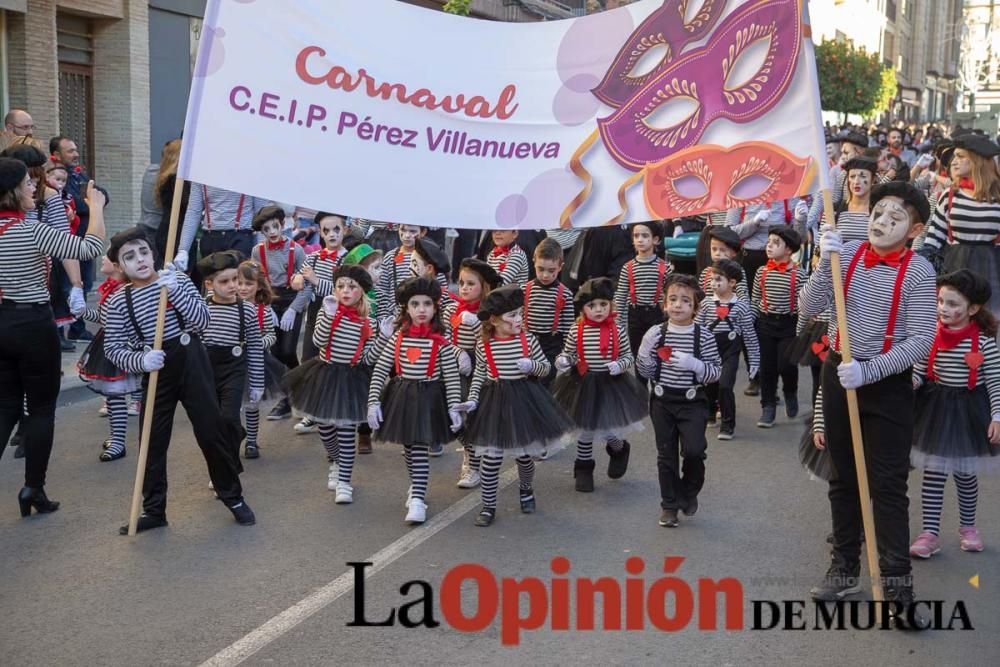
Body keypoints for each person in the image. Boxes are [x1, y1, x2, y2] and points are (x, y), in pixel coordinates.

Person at [802, 181, 935, 629]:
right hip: (839, 376)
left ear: (914, 229)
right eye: (878, 213)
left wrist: (871, 370)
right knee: (842, 478)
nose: (881, 222)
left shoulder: (919, 271)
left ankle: (898, 587)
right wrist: (824, 264)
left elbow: (922, 338)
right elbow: (809, 309)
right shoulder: (849, 254)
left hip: (887, 385)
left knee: (888, 487)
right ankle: (844, 567)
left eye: (894, 218)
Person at [103, 227, 255, 533]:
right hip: (156, 368)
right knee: (151, 441)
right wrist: (140, 360)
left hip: (192, 358)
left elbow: (203, 320)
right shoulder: (118, 302)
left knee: (211, 431)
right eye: (130, 257)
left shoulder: (177, 280)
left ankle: (233, 496)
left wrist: (177, 292)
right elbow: (113, 349)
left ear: (154, 253)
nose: (140, 260)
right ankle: (154, 510)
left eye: (144, 252)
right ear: (120, 266)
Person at [0, 158, 105, 517]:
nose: (34, 187)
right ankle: (33, 488)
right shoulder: (30, 230)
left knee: (5, 406)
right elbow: (90, 248)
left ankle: (33, 489)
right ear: (13, 191)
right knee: (41, 409)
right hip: (31, 323)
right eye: (27, 184)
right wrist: (96, 208)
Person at [455, 285, 575, 526]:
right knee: (490, 459)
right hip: (494, 403)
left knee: (524, 456)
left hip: (523, 399)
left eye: (520, 313)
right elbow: (480, 374)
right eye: (511, 315)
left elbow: (545, 368)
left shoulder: (528, 339)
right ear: (494, 320)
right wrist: (473, 398)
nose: (518, 319)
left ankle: (526, 488)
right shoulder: (484, 345)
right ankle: (488, 506)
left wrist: (532, 366)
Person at [909, 270, 1000, 558]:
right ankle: (930, 533)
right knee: (934, 473)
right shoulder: (930, 335)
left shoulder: (984, 343)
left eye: (952, 304)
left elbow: (996, 383)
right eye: (940, 302)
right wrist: (911, 381)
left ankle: (968, 528)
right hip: (935, 410)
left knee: (965, 473)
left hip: (970, 412)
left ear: (973, 309)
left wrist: (998, 416)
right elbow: (920, 372)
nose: (943, 309)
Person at [367, 277, 463, 524]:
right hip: (402, 397)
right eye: (415, 304)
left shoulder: (441, 342)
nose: (421, 309)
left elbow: (451, 377)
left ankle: (419, 498)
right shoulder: (398, 338)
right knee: (409, 447)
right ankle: (415, 485)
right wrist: (373, 402)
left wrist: (454, 407)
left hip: (429, 398)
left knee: (419, 446)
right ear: (406, 309)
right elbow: (379, 369)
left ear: (435, 307)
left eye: (427, 304)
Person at [283, 265, 379, 503]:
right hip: (325, 374)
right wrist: (327, 315)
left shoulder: (368, 323)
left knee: (347, 430)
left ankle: (345, 481)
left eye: (352, 287)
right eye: (340, 286)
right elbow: (319, 340)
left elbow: (368, 358)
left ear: (362, 292)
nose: (345, 291)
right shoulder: (329, 312)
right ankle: (335, 460)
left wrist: (384, 337)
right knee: (325, 429)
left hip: (352, 377)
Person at [636, 274, 722, 527]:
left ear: (695, 308)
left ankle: (689, 489)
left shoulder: (703, 336)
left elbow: (715, 372)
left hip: (692, 402)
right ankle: (669, 505)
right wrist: (645, 354)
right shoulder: (656, 333)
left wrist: (694, 364)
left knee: (694, 451)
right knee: (666, 456)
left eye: (685, 301)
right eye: (672, 299)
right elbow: (647, 372)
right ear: (664, 304)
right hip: (662, 401)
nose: (677, 305)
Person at [552, 277, 648, 492]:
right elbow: (569, 353)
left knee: (608, 429)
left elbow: (628, 357)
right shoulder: (576, 331)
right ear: (583, 309)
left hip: (610, 385)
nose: (598, 310)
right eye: (592, 305)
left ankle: (619, 449)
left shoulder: (618, 331)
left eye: (603, 304)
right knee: (585, 428)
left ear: (610, 305)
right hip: (582, 384)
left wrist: (619, 365)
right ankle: (584, 469)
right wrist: (564, 361)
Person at [1, 141, 82, 346]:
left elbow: (66, 244)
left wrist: (77, 285)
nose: (33, 183)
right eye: (27, 178)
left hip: (36, 275)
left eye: (35, 176)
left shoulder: (49, 196)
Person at [196, 251, 265, 471]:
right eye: (224, 281)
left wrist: (257, 383)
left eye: (234, 279)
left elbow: (254, 347)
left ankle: (226, 468)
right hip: (207, 371)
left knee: (229, 418)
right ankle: (220, 459)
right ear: (209, 284)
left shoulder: (247, 310)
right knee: (212, 425)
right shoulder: (201, 308)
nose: (233, 285)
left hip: (234, 370)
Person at [918, 134, 1000, 315]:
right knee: (951, 323)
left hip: (991, 272)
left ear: (977, 161)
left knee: (988, 328)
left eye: (961, 156)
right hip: (954, 269)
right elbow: (932, 243)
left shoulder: (998, 198)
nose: (954, 162)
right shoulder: (950, 195)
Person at [442, 258, 502, 488]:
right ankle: (470, 451)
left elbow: (491, 338)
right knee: (452, 415)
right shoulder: (450, 309)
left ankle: (472, 464)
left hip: (481, 366)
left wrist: (477, 322)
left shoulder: (489, 312)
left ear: (484, 287)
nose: (464, 288)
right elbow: (444, 337)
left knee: (474, 415)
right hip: (456, 365)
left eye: (470, 284)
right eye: (461, 283)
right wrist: (458, 353)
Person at [289, 212, 350, 434]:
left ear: (345, 230)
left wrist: (314, 280)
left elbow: (342, 291)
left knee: (333, 366)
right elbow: (299, 278)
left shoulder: (348, 259)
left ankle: (333, 411)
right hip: (315, 315)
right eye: (326, 230)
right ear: (320, 233)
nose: (332, 234)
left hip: (340, 318)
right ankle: (312, 413)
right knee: (309, 361)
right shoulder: (314, 257)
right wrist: (297, 279)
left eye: (336, 229)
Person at [76, 254, 141, 462]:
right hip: (107, 342)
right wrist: (83, 311)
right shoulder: (111, 286)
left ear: (117, 267)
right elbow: (104, 318)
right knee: (113, 398)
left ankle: (119, 442)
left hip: (120, 346)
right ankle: (116, 437)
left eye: (106, 257)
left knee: (116, 396)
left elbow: (119, 319)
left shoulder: (124, 290)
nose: (101, 259)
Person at [49, 135, 110, 342]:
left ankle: (78, 327)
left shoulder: (79, 175)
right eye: (70, 151)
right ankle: (59, 332)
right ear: (56, 155)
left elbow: (102, 195)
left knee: (83, 284)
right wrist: (91, 204)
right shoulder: (54, 179)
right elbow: (81, 202)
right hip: (66, 244)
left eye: (75, 150)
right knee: (64, 287)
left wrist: (94, 202)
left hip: (84, 239)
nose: (75, 154)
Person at [251, 205, 306, 420]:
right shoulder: (258, 251)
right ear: (262, 232)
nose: (272, 232)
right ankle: (287, 398)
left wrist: (293, 309)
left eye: (275, 226)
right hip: (270, 300)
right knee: (275, 353)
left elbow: (307, 286)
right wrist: (264, 307)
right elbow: (257, 281)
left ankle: (299, 385)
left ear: (283, 225)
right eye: (267, 229)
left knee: (288, 351)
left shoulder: (296, 250)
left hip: (292, 299)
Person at [696, 259, 759, 439]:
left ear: (732, 282)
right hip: (709, 350)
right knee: (709, 384)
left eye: (718, 280)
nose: (714, 284)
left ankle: (727, 424)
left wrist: (754, 361)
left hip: (731, 350)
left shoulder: (741, 306)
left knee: (725, 385)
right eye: (712, 280)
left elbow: (749, 335)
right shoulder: (706, 303)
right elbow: (696, 329)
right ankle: (709, 411)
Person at [751, 226, 804, 427]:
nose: (769, 246)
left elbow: (804, 303)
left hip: (789, 324)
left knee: (786, 364)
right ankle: (768, 406)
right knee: (768, 367)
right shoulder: (761, 272)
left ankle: (790, 391)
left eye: (776, 243)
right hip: (765, 323)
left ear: (789, 250)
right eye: (769, 242)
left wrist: (802, 327)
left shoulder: (799, 274)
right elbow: (755, 298)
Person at [236, 260, 284, 459]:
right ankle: (235, 435)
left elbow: (271, 336)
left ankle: (252, 441)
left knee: (251, 404)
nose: (243, 288)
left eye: (249, 284)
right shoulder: (228, 306)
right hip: (232, 363)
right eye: (239, 283)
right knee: (230, 404)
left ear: (258, 286)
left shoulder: (264, 311)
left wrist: (256, 343)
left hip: (255, 363)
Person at [342, 242, 384, 455]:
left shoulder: (381, 294)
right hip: (349, 352)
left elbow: (386, 316)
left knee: (369, 392)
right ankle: (346, 432)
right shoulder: (350, 295)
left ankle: (364, 433)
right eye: (374, 268)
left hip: (373, 349)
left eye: (379, 266)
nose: (380, 272)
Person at [614, 221, 673, 355]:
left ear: (655, 240)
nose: (640, 239)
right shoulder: (628, 267)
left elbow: (669, 295)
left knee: (658, 351)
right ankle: (640, 376)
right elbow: (621, 296)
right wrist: (618, 322)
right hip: (635, 315)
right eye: (636, 236)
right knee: (637, 351)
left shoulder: (665, 267)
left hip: (657, 313)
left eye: (645, 236)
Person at [523, 238, 574, 387]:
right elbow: (519, 317)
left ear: (560, 267)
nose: (545, 275)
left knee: (546, 382)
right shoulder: (525, 289)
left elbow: (568, 328)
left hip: (551, 344)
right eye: (541, 269)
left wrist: (567, 353)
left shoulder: (565, 294)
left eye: (551, 271)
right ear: (534, 262)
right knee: (527, 381)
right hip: (528, 341)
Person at [153, 139, 189, 269]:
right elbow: (187, 203)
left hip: (168, 231)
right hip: (175, 234)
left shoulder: (165, 177)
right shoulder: (176, 180)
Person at [375, 224, 424, 318]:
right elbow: (382, 289)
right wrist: (386, 314)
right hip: (395, 315)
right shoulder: (391, 257)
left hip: (420, 312)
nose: (407, 235)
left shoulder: (429, 257)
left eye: (412, 231)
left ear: (423, 232)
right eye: (403, 230)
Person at [697, 227, 747, 300]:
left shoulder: (737, 271)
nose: (717, 253)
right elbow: (699, 297)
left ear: (733, 253)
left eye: (722, 250)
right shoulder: (706, 272)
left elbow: (743, 297)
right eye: (714, 249)